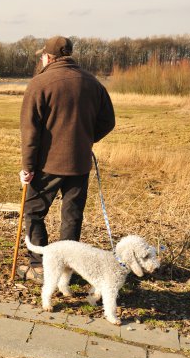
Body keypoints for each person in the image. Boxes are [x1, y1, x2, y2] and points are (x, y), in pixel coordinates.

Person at [17, 36, 116, 282]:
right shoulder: (92, 83)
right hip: (80, 163)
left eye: (42, 56)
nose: (41, 59)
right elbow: (108, 122)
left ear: (48, 57)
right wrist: (86, 140)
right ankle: (66, 271)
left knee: (33, 212)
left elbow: (30, 132)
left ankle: (39, 267)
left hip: (47, 165)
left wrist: (28, 167)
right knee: (72, 216)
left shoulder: (39, 83)